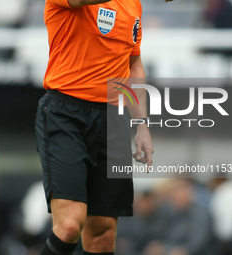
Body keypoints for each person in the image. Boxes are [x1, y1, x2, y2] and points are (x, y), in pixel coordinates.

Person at [35, 0, 172, 253]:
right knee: (68, 226)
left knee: (103, 234)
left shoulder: (132, 5)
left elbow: (133, 66)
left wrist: (142, 125)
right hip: (65, 112)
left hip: (113, 119)